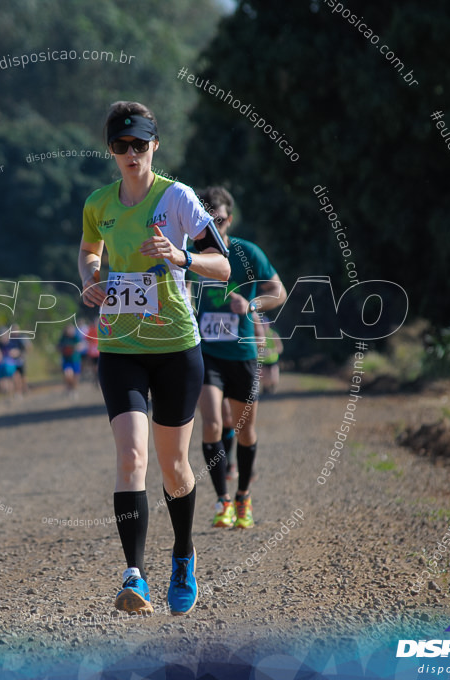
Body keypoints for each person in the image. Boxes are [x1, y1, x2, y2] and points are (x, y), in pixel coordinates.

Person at [79, 101, 230, 616]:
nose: (131, 154)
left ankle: (183, 554)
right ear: (110, 150)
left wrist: (181, 256)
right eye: (121, 146)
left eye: (139, 145)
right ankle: (135, 577)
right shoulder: (98, 203)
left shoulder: (179, 198)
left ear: (154, 146)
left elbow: (223, 266)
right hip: (120, 348)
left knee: (173, 467)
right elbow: (89, 249)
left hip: (175, 350)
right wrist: (91, 276)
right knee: (131, 458)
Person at [192, 186, 286, 530]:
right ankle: (222, 500)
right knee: (213, 423)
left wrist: (252, 305)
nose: (212, 225)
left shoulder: (246, 253)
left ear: (228, 219)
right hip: (206, 353)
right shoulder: (189, 254)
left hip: (243, 352)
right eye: (205, 220)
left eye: (217, 219)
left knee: (245, 430)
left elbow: (278, 291)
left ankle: (243, 494)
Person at [57, 325, 85, 397]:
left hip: (75, 360)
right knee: (68, 375)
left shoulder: (76, 337)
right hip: (67, 360)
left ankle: (74, 389)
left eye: (71, 330)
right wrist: (62, 348)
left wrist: (76, 347)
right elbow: (58, 347)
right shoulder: (63, 338)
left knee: (75, 377)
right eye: (68, 330)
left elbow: (81, 346)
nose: (70, 331)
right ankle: (69, 388)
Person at [258, 316, 284, 394]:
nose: (264, 326)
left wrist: (271, 351)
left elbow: (280, 348)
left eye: (265, 324)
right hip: (262, 361)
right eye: (262, 324)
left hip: (273, 360)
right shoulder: (257, 335)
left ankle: (272, 387)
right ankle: (266, 389)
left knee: (274, 379)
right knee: (264, 378)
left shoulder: (273, 334)